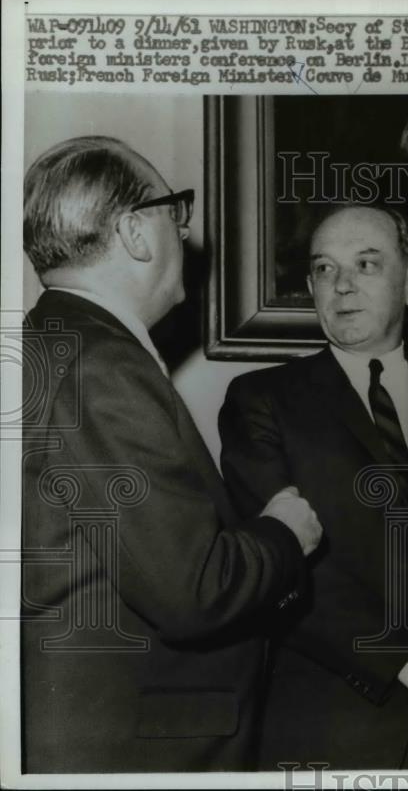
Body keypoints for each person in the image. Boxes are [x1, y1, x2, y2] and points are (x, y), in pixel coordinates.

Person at [20, 136, 322, 773]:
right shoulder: (103, 368)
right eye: (174, 210)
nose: (184, 230)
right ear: (134, 231)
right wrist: (285, 534)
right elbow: (193, 592)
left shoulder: (54, 342)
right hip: (138, 749)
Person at [219, 204, 408, 769]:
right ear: (309, 286)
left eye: (367, 264)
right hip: (328, 721)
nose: (343, 285)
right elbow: (273, 565)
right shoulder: (262, 401)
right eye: (325, 269)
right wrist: (397, 654)